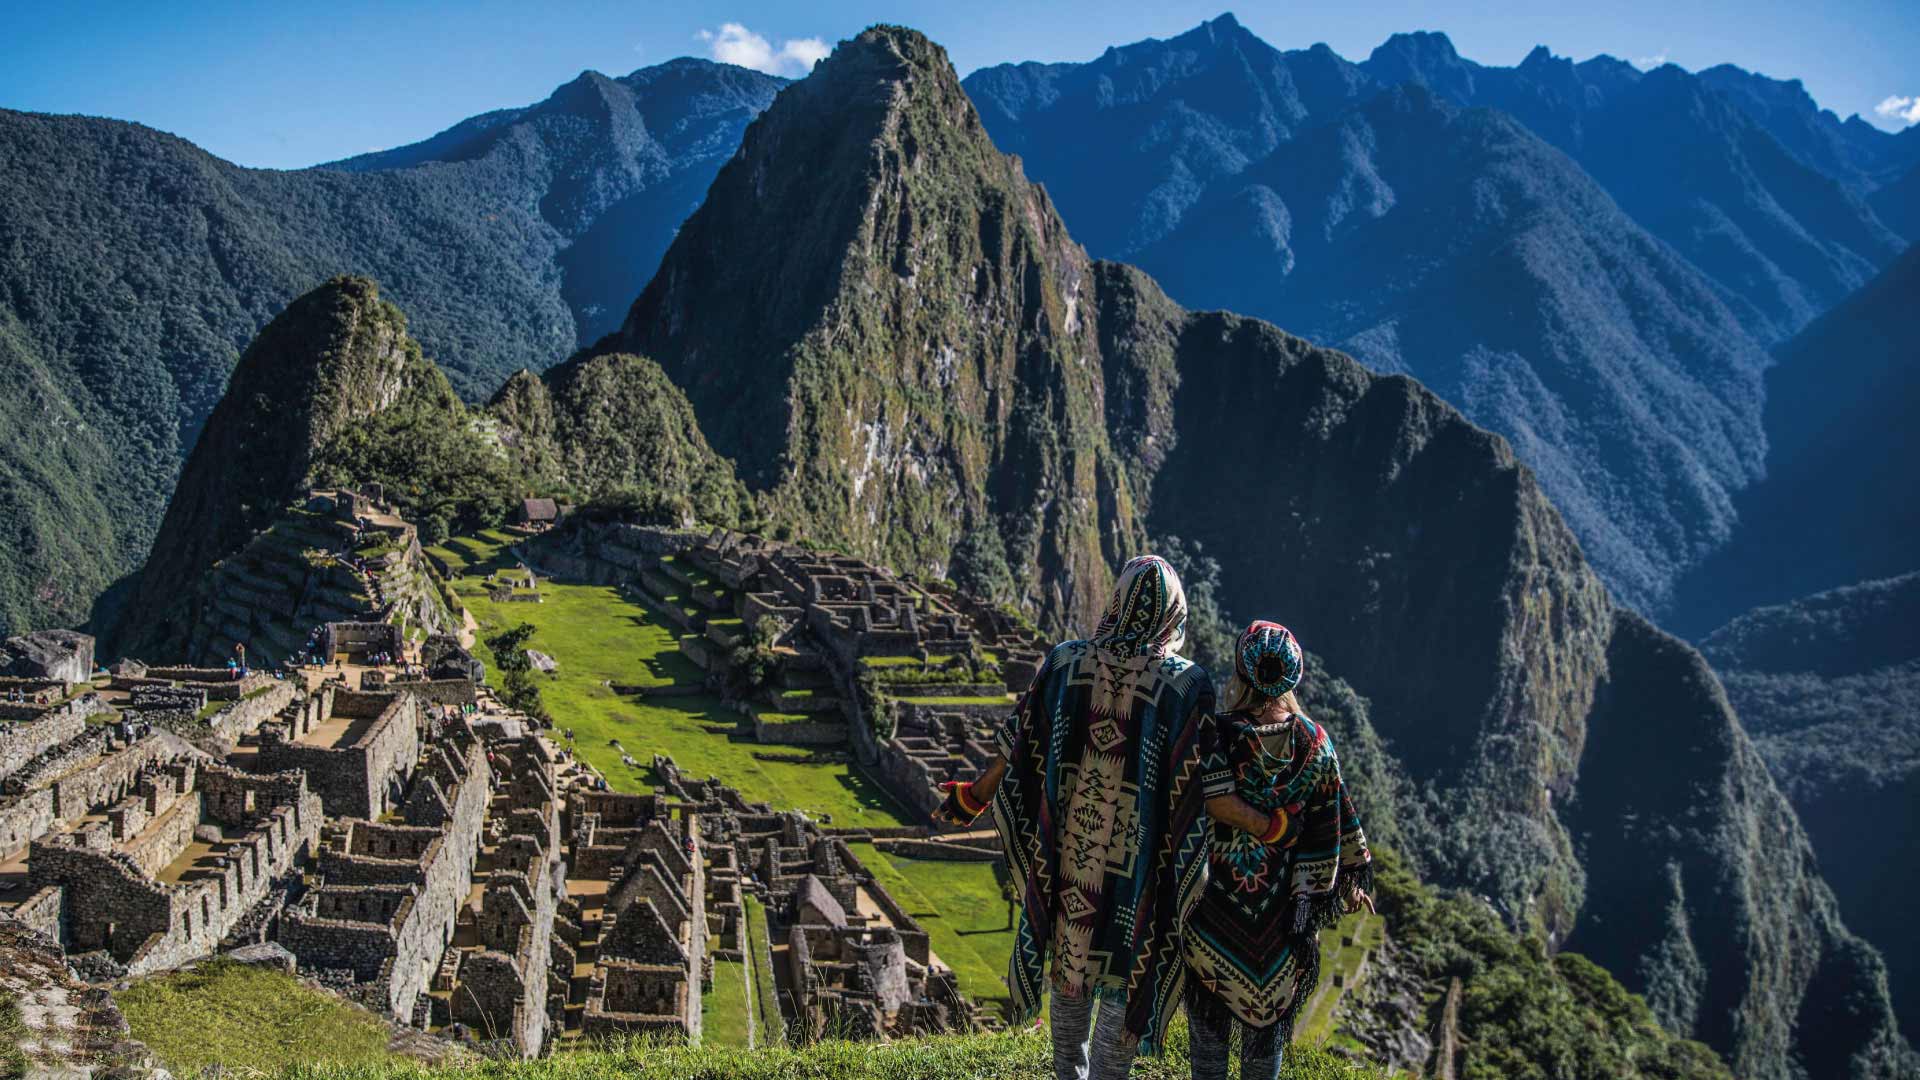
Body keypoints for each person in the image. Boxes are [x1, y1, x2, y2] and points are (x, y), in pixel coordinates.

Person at [934, 555, 1285, 1080]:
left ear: (1116, 600)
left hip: (1069, 864)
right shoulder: (1185, 686)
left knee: (1070, 975)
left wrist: (973, 797)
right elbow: (1208, 787)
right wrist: (1269, 825)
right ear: (1175, 612)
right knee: (1125, 983)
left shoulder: (1064, 664)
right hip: (1138, 873)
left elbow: (1017, 742)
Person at [1181, 622, 1373, 1080]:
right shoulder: (1315, 745)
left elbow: (1193, 805)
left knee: (1208, 1046)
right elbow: (1335, 819)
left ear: (1241, 673)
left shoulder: (1217, 737)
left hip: (1213, 918)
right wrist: (1346, 881)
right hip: (1284, 923)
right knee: (1264, 1051)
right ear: (1293, 677)